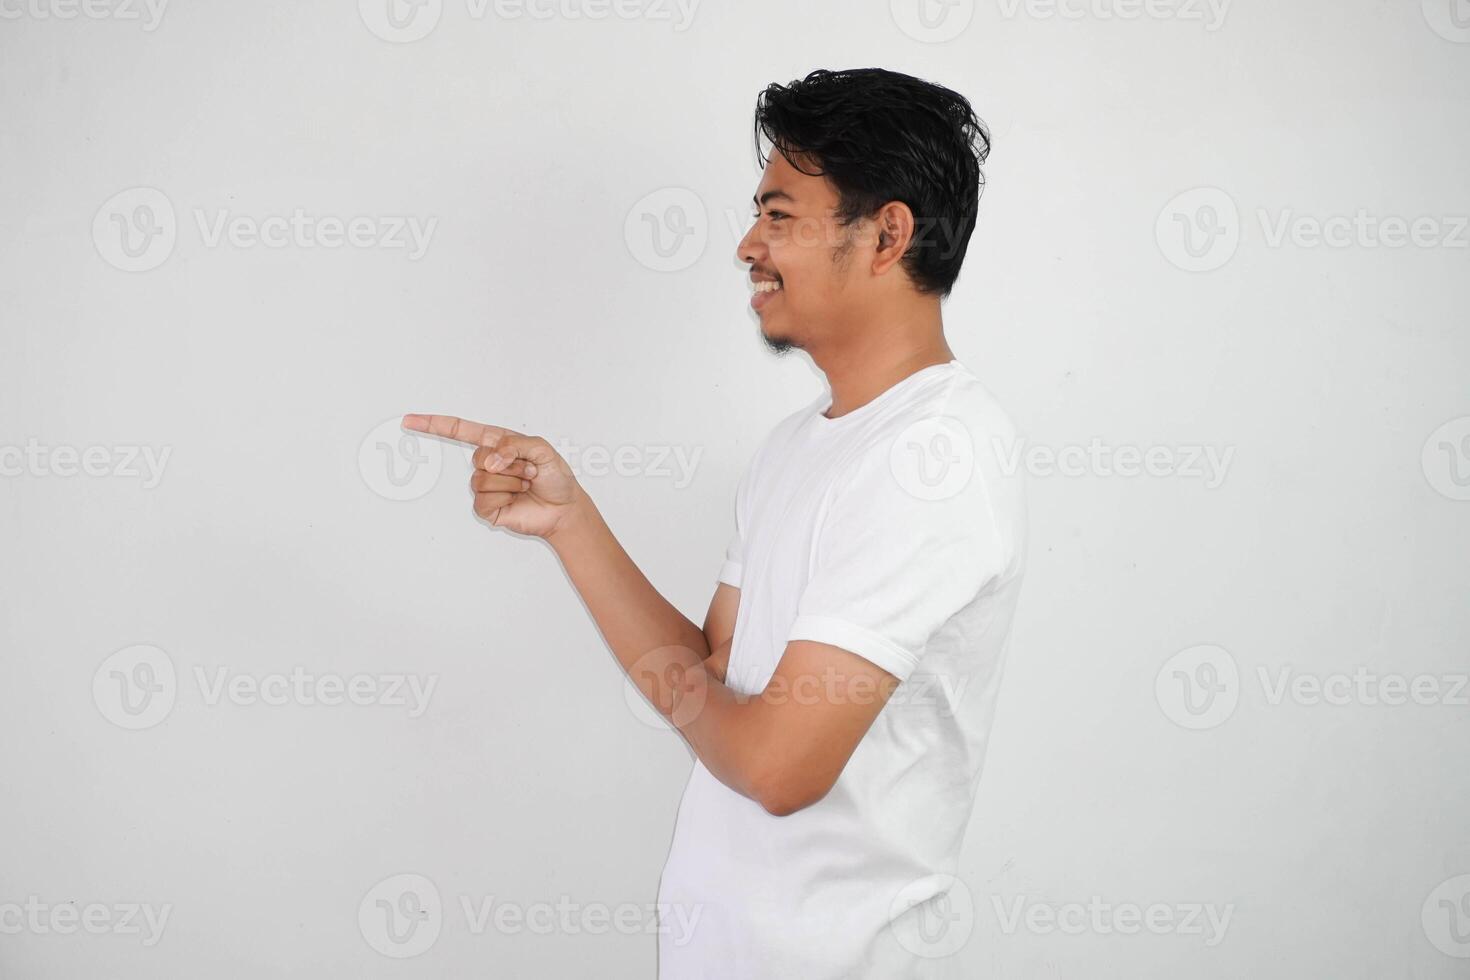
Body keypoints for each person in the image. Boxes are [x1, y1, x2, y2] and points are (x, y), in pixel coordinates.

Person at [404, 67, 1027, 979]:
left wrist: (721, 706)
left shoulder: (935, 458)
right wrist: (571, 522)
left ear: (888, 234)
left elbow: (775, 766)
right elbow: (712, 674)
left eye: (779, 215)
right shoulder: (796, 446)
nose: (747, 243)